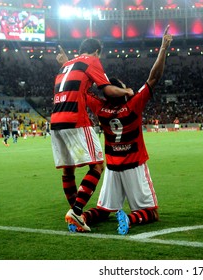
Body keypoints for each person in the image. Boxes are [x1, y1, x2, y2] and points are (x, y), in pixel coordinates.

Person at [79, 25, 173, 235]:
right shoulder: (133, 104)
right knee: (151, 212)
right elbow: (154, 78)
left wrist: (69, 61)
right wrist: (164, 47)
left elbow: (82, 89)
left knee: (103, 210)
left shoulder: (100, 108)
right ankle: (130, 218)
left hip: (112, 167)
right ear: (121, 90)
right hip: (134, 165)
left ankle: (82, 216)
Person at [51, 38, 134, 232]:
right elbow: (107, 89)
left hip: (55, 120)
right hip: (75, 118)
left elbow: (75, 75)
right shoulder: (92, 61)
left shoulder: (68, 65)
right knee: (97, 165)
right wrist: (127, 90)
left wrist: (65, 61)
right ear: (97, 52)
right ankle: (77, 212)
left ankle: (75, 213)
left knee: (68, 169)